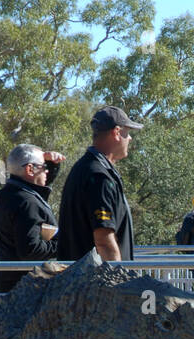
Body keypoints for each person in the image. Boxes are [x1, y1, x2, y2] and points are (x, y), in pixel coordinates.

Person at [57, 106, 143, 262]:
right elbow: (103, 241)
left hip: (80, 278)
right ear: (116, 132)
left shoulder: (85, 167)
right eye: (127, 132)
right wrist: (118, 280)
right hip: (95, 282)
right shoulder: (98, 175)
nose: (129, 138)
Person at [0, 143, 64, 293]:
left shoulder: (6, 194)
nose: (47, 171)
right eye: (44, 167)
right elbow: (30, 249)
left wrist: (51, 163)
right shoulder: (27, 202)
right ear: (30, 169)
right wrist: (64, 242)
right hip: (28, 290)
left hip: (7, 283)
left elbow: (41, 185)